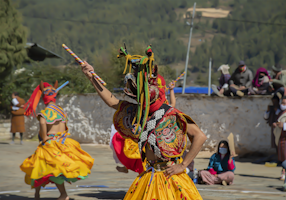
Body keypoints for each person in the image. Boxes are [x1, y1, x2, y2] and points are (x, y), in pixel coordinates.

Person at [81, 45, 207, 200]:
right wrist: (91, 77)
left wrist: (182, 165)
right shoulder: (137, 112)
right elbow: (111, 101)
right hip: (149, 176)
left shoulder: (172, 114)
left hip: (170, 177)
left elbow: (200, 136)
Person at [20, 81, 94, 200]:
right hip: (63, 142)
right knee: (56, 170)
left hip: (50, 144)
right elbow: (64, 127)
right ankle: (54, 194)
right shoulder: (62, 112)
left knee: (40, 168)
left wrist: (44, 137)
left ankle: (46, 194)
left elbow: (43, 123)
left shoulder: (44, 113)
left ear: (44, 98)